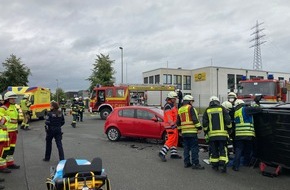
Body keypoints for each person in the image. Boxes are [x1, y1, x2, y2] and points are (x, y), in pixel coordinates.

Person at [203, 96, 231, 173]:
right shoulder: (222, 109)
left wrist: (206, 131)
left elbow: (205, 124)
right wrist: (229, 128)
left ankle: (215, 166)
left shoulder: (207, 110)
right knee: (222, 150)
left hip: (212, 136)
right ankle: (223, 165)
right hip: (222, 135)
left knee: (214, 150)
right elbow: (228, 120)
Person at [232, 99, 262, 171]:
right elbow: (259, 109)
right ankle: (246, 163)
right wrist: (255, 104)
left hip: (238, 134)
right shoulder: (245, 109)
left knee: (239, 149)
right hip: (248, 133)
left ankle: (236, 166)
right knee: (248, 149)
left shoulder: (236, 111)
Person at [177, 95, 204, 169]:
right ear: (189, 101)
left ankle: (187, 163)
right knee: (194, 148)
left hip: (184, 132)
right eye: (192, 101)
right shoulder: (190, 108)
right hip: (192, 131)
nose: (192, 102)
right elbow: (195, 119)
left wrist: (179, 130)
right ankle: (195, 164)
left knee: (186, 148)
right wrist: (199, 127)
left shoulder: (180, 109)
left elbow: (178, 122)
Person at [158, 91, 182, 162]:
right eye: (174, 98)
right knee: (171, 139)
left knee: (175, 139)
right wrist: (173, 125)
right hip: (171, 126)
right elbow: (169, 117)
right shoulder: (168, 106)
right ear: (170, 98)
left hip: (173, 125)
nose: (175, 100)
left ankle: (173, 153)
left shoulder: (171, 105)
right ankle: (162, 153)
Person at [0, 91, 20, 171]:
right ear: (7, 99)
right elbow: (1, 120)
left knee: (12, 148)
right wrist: (9, 120)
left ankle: (10, 163)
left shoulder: (14, 107)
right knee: (5, 149)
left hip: (14, 131)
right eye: (12, 98)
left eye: (14, 98)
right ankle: (2, 166)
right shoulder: (3, 108)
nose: (14, 100)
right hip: (6, 132)